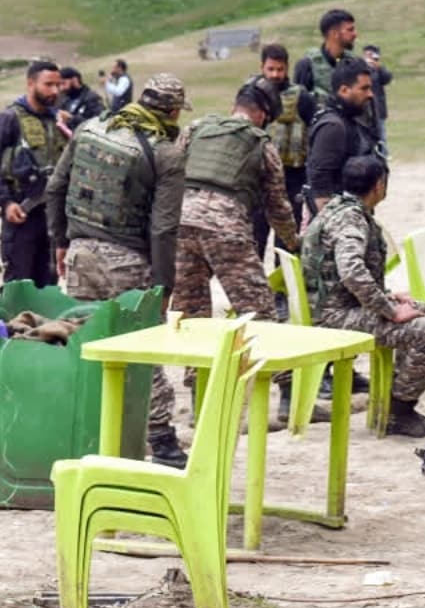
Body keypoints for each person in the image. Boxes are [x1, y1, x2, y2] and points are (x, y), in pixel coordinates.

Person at [46, 72, 191, 468]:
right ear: (173, 111)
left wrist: (61, 243)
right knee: (142, 351)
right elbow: (163, 228)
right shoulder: (166, 154)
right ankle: (162, 442)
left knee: (82, 343)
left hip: (80, 254)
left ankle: (79, 433)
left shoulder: (90, 129)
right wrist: (163, 287)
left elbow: (56, 187)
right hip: (128, 263)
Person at [174, 80, 305, 423]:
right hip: (226, 230)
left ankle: (199, 403)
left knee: (192, 314)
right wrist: (293, 242)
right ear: (262, 115)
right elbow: (278, 207)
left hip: (180, 225)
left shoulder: (195, 129)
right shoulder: (262, 145)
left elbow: (170, 176)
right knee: (260, 313)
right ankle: (287, 397)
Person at [301, 155, 425, 436]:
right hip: (336, 317)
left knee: (423, 310)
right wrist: (390, 310)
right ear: (379, 185)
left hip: (335, 306)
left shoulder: (337, 209)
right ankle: (399, 412)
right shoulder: (351, 220)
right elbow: (351, 271)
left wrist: (387, 296)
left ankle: (396, 397)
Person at [0, 60, 65, 287]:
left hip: (52, 217)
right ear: (30, 84)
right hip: (22, 215)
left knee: (48, 285)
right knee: (19, 285)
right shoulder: (10, 119)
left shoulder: (57, 121)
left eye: (58, 85)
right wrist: (6, 203)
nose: (55, 91)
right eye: (48, 85)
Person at [256, 44, 317, 257]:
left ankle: (282, 280)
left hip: (292, 177)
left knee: (287, 244)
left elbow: (315, 131)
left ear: (287, 68)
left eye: (280, 69)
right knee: (255, 239)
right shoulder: (251, 95)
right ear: (262, 67)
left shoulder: (302, 97)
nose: (275, 74)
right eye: (270, 69)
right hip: (259, 177)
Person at [306, 58, 381, 212]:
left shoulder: (350, 120)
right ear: (344, 90)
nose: (370, 94)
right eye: (364, 88)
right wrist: (332, 220)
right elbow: (320, 185)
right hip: (338, 219)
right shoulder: (333, 127)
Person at [294, 9, 358, 106]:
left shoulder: (354, 63)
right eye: (350, 30)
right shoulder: (307, 65)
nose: (355, 34)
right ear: (334, 34)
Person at [57, 67, 105, 131]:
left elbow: (101, 123)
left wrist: (72, 118)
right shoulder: (64, 101)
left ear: (74, 80)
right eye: (59, 85)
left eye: (63, 83)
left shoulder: (92, 98)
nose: (61, 88)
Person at [362, 44, 392, 145]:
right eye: (367, 54)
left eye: (372, 55)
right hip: (364, 109)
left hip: (378, 109)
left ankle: (382, 153)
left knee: (381, 137)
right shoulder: (360, 68)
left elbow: (387, 79)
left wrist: (379, 67)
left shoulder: (378, 69)